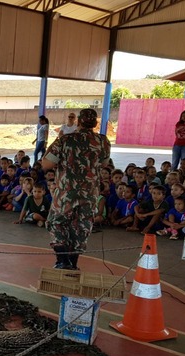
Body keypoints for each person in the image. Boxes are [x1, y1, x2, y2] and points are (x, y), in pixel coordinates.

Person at [42, 108, 110, 270]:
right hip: (90, 193)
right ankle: (73, 263)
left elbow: (46, 164)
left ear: (78, 121)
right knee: (81, 225)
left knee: (57, 222)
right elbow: (104, 164)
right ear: (95, 123)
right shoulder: (103, 141)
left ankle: (62, 261)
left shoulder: (65, 140)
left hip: (66, 192)